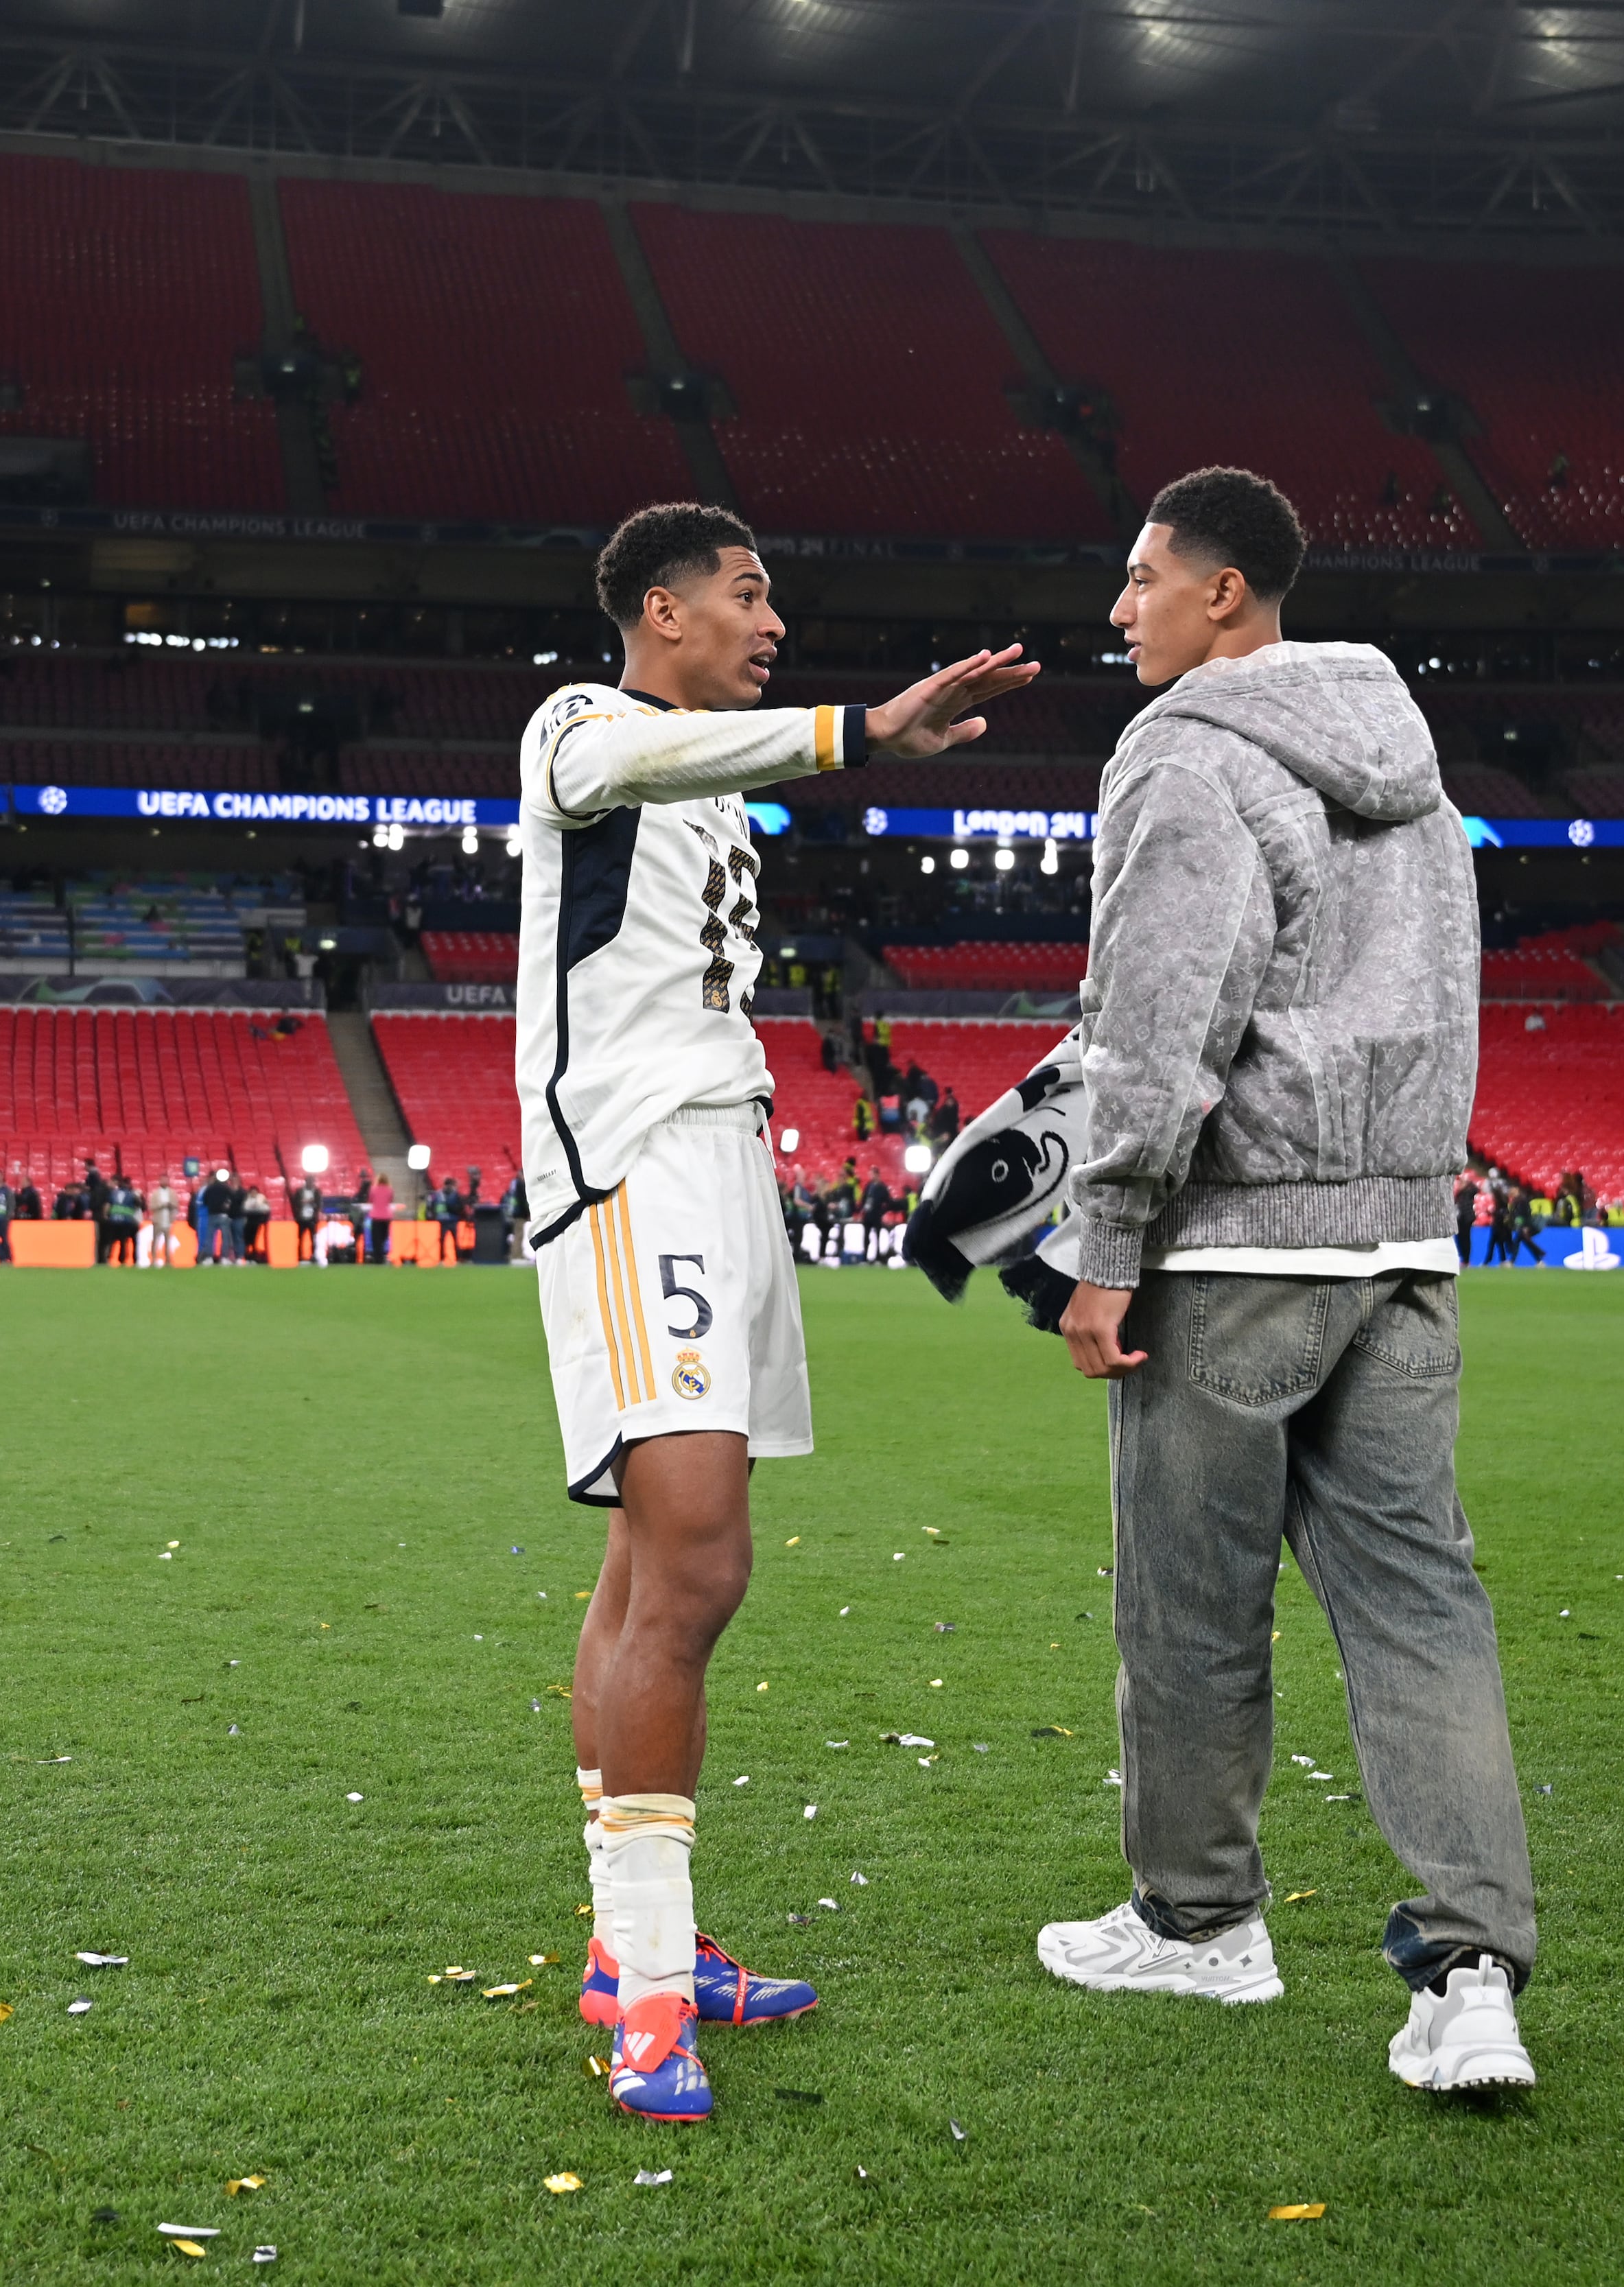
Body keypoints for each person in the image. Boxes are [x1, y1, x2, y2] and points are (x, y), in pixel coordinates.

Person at [519, 500, 1036, 2126]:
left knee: (650, 1566)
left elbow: (714, 782)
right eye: (747, 595)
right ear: (659, 610)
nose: (771, 621)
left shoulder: (711, 773)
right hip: (630, 1168)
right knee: (697, 1555)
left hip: (728, 1157)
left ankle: (633, 1946)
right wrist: (858, 735)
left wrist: (825, 748)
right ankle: (652, 1996)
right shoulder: (580, 722)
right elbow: (644, 767)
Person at [1039, 467, 1533, 2097]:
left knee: (1189, 1605)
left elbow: (1161, 1012)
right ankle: (1471, 1977)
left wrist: (1105, 1245)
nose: (1121, 609)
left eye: (1142, 579)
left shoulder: (1182, 755)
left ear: (1225, 594)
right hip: (1399, 1239)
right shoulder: (1407, 750)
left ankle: (1198, 1925)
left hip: (1238, 1244)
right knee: (1420, 1603)